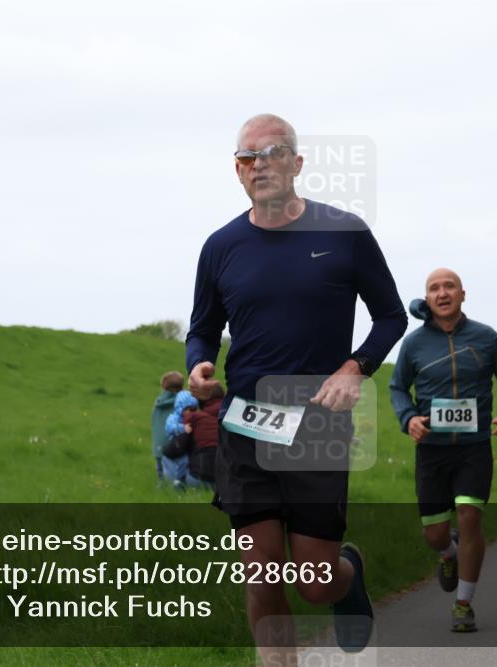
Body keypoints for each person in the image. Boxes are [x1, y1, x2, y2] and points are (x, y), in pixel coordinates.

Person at [186, 113, 407, 659]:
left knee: (313, 580)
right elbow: (203, 329)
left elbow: (391, 317)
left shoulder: (344, 232)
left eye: (272, 151)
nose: (258, 164)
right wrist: (199, 365)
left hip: (317, 424)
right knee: (261, 576)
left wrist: (355, 368)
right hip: (244, 423)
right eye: (246, 157)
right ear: (237, 172)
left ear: (297, 162)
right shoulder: (220, 246)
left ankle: (346, 576)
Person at [389, 268, 497, 633]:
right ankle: (448, 553)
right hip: (431, 451)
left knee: (469, 518)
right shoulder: (414, 344)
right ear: (428, 298)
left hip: (473, 448)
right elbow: (398, 388)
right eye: (434, 288)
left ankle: (463, 604)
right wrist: (408, 419)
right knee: (435, 535)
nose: (442, 292)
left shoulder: (485, 338)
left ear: (463, 294)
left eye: (449, 286)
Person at [183, 383, 224, 489]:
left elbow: (175, 447)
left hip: (197, 478)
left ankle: (173, 484)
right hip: (225, 482)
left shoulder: (196, 418)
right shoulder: (232, 417)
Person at [151, 371, 184, 483]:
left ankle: (161, 485)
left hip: (158, 443)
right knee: (176, 472)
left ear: (163, 386)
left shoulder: (159, 401)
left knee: (161, 472)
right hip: (174, 444)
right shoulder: (183, 402)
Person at [163, 390, 199, 489]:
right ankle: (177, 480)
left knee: (187, 461)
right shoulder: (173, 418)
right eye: (189, 410)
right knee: (182, 461)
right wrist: (183, 428)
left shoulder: (192, 418)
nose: (192, 413)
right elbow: (170, 427)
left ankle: (183, 481)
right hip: (175, 446)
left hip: (186, 447)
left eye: (194, 410)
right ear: (180, 408)